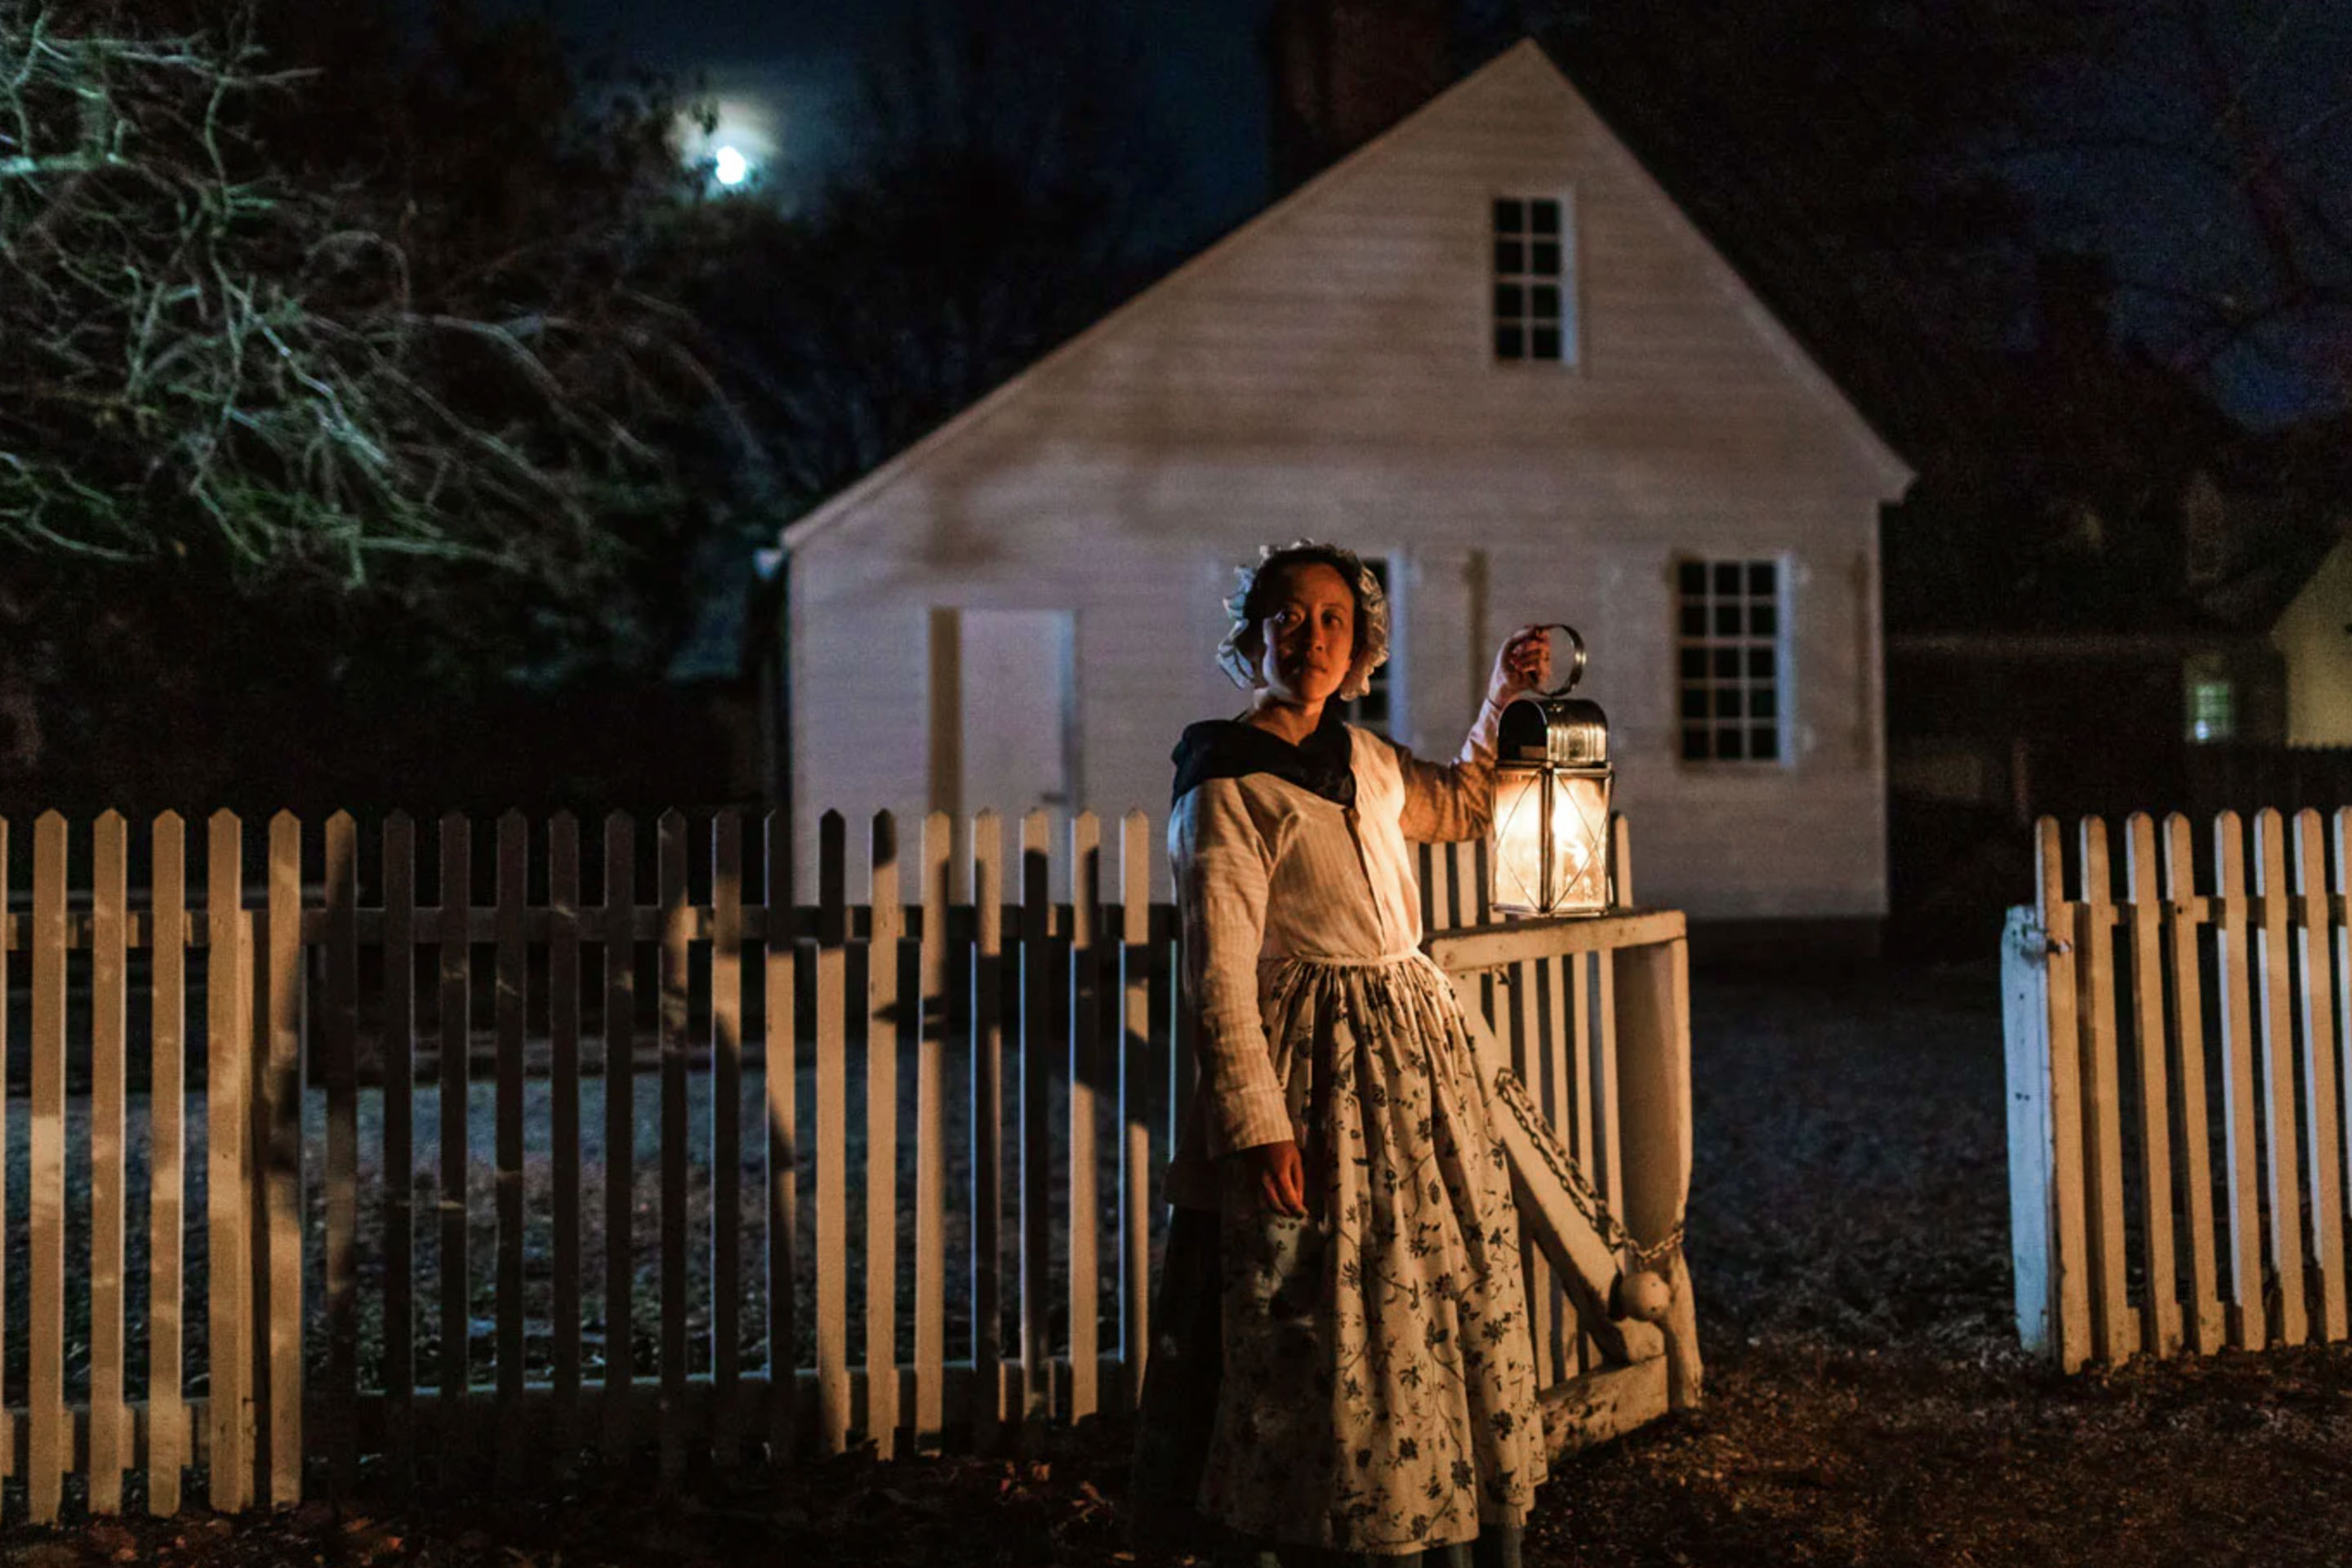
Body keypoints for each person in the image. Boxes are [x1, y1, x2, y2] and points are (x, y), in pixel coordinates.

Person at [1130, 540, 1553, 1567]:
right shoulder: (1226, 776)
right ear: (1253, 635)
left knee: (1431, 1293)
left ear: (1359, 643)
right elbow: (1219, 971)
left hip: (1413, 1068)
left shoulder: (1362, 759)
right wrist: (1255, 1122)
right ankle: (1344, 1530)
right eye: (1286, 614)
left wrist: (1502, 694)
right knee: (1332, 1313)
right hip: (1319, 1074)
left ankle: (1447, 1510)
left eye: (1330, 619)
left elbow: (1458, 804)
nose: (1308, 635)